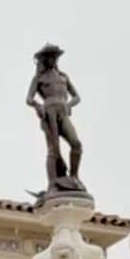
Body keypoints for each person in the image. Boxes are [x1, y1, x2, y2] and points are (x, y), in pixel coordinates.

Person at [26, 43, 85, 195]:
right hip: (49, 110)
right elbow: (29, 99)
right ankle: (53, 183)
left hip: (63, 110)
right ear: (45, 59)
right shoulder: (39, 78)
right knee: (53, 149)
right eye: (50, 56)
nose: (53, 59)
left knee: (76, 144)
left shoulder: (63, 76)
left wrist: (70, 105)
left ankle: (74, 176)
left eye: (55, 56)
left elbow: (77, 96)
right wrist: (38, 106)